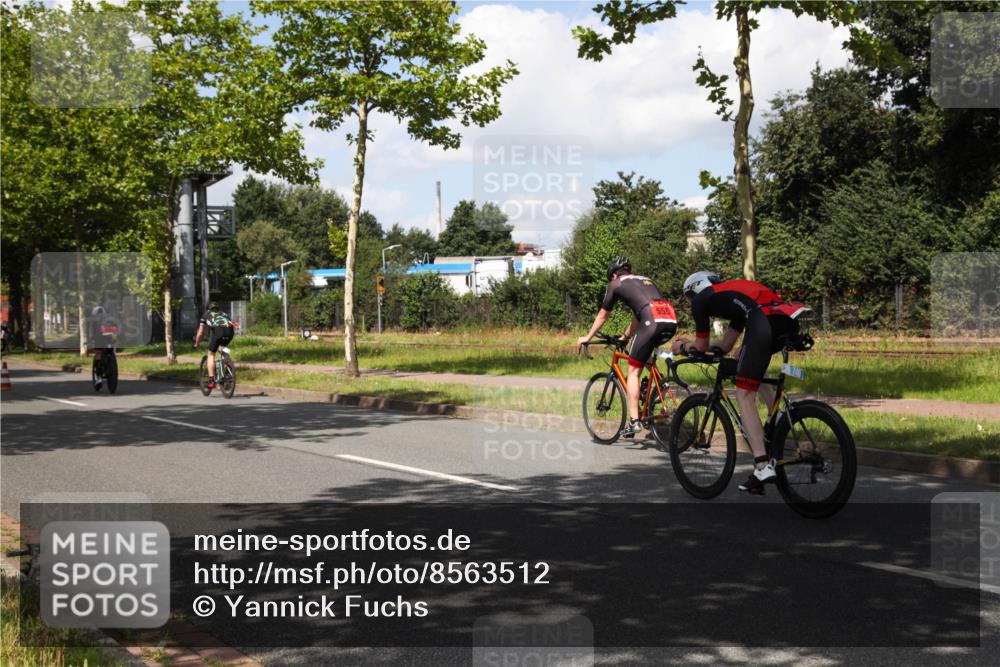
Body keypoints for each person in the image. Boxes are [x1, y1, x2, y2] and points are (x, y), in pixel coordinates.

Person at [673, 271, 808, 493]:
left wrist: (683, 346)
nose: (690, 302)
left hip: (762, 321)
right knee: (748, 368)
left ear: (694, 289)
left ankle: (762, 465)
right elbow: (725, 345)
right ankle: (782, 416)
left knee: (744, 394)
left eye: (688, 297)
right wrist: (710, 347)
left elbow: (702, 345)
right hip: (785, 318)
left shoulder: (701, 299)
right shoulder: (732, 295)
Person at [577, 257, 677, 438]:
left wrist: (588, 337)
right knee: (642, 355)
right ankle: (657, 389)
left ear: (614, 274)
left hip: (651, 321)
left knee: (633, 372)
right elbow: (640, 314)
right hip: (669, 318)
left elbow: (603, 315)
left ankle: (634, 422)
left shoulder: (616, 283)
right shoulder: (645, 279)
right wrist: (625, 337)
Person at [194, 302, 235, 389]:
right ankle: (226, 368)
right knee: (222, 349)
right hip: (230, 332)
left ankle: (212, 381)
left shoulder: (206, 315)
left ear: (208, 309)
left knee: (211, 354)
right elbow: (232, 324)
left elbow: (200, 332)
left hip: (218, 332)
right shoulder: (224, 314)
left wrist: (197, 343)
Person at [87, 306, 119, 389]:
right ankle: (111, 359)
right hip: (111, 336)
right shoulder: (110, 317)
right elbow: (117, 328)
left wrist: (90, 341)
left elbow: (91, 333)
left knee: (98, 353)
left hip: (99, 337)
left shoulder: (93, 319)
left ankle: (99, 377)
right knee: (110, 350)